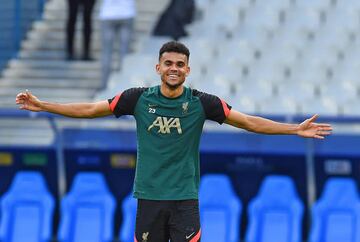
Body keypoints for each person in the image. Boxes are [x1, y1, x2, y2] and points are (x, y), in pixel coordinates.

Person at [16, 41, 332, 242]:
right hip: (149, 197)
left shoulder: (202, 103)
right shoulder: (136, 99)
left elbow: (248, 122)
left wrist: (294, 129)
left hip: (184, 198)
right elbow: (89, 109)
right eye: (168, 63)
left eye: (180, 64)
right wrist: (44, 106)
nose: (174, 69)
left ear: (187, 70)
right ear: (158, 67)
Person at [99, 0, 136, 89]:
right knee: (125, 53)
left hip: (108, 13)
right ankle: (123, 86)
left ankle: (104, 86)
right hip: (127, 12)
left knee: (107, 52)